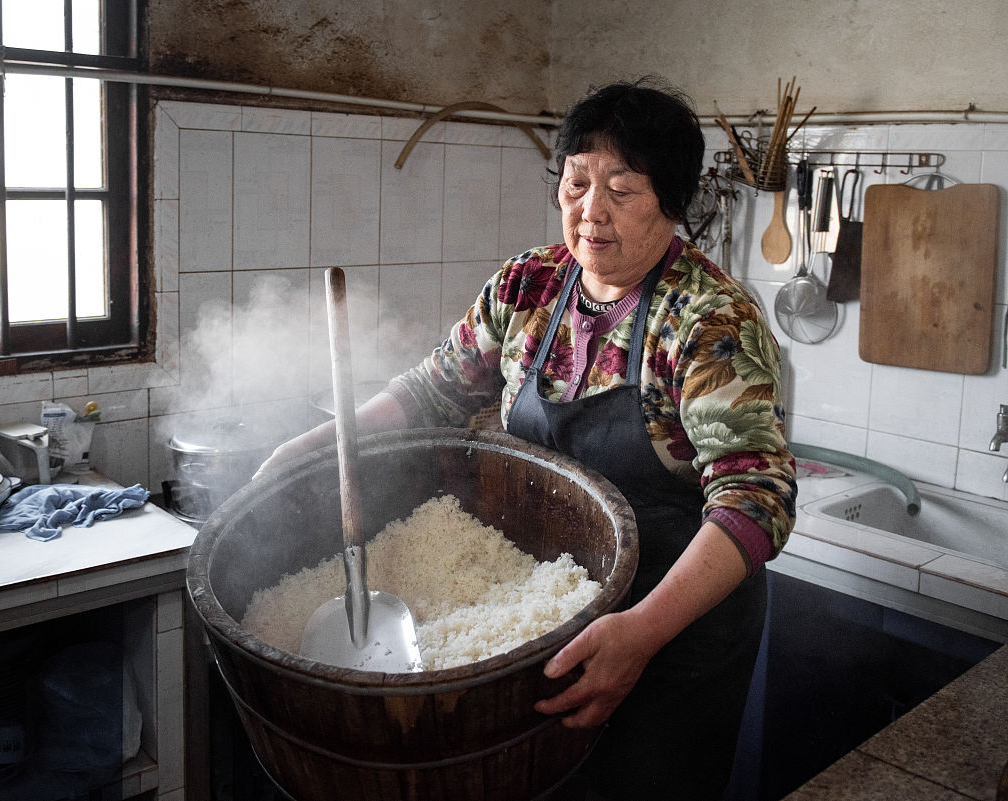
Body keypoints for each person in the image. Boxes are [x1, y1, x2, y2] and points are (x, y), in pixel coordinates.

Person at [254, 77, 797, 801]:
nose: (591, 211)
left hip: (672, 635)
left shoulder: (709, 321)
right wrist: (327, 439)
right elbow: (434, 390)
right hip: (550, 614)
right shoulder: (529, 286)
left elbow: (756, 499)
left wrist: (638, 634)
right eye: (576, 182)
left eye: (622, 190)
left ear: (673, 201)